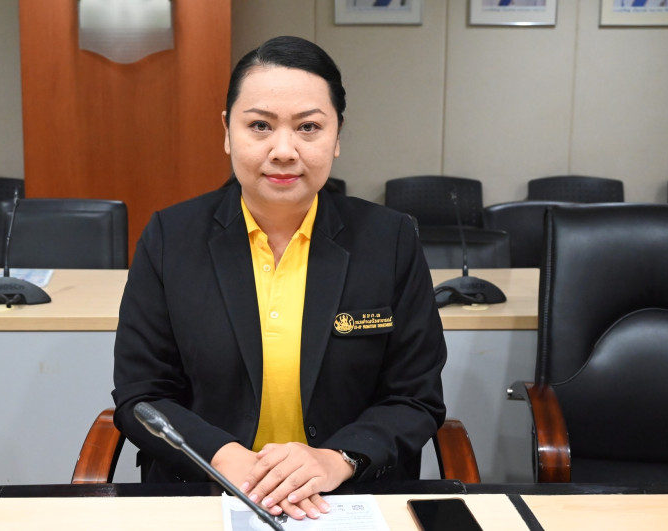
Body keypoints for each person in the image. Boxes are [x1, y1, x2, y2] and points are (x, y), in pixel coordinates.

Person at [112, 35, 447, 521]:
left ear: (337, 135)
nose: (284, 150)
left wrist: (336, 459)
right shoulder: (170, 237)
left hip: (344, 498)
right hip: (206, 492)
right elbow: (142, 395)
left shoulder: (390, 239)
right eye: (260, 126)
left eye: (308, 127)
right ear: (227, 132)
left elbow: (415, 398)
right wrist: (226, 458)